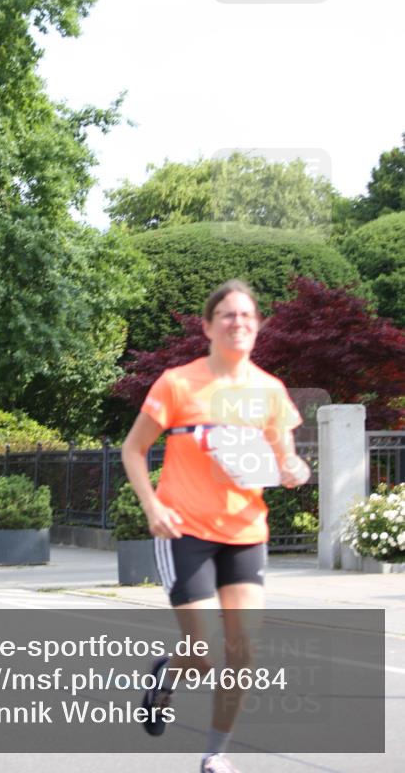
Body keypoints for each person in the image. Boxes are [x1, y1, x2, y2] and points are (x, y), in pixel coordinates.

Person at [121, 280, 310, 773]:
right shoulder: (177, 383)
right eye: (227, 315)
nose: (238, 323)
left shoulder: (270, 390)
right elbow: (133, 449)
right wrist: (150, 505)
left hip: (246, 532)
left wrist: (295, 470)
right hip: (185, 529)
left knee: (243, 650)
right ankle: (167, 674)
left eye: (247, 315)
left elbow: (288, 460)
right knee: (202, 652)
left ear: (258, 326)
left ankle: (214, 753)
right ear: (207, 326)